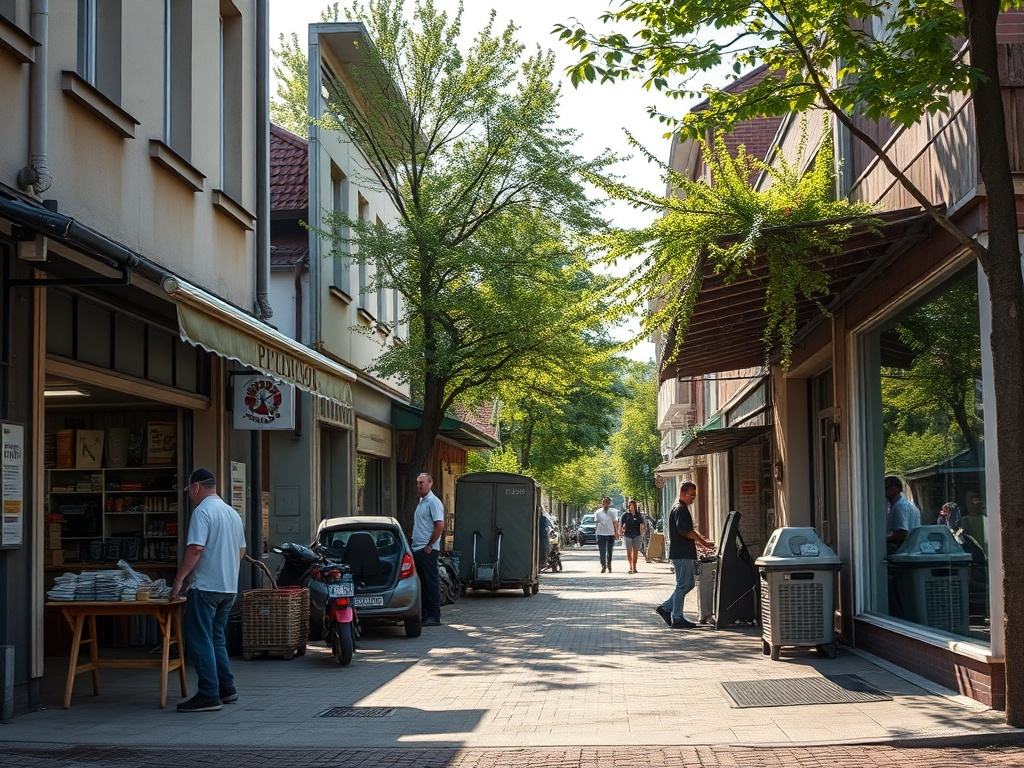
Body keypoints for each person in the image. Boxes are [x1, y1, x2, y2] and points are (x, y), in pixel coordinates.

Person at [170, 468, 246, 713]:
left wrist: (180, 580)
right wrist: (228, 569)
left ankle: (208, 693)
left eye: (189, 491)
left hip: (206, 587)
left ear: (196, 487)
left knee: (200, 639)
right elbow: (241, 550)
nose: (190, 495)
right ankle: (227, 688)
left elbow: (195, 549)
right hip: (228, 587)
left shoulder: (202, 512)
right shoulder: (231, 513)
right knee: (217, 639)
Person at [656, 482, 713, 629]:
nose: (693, 498)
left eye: (695, 495)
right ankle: (676, 616)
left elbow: (689, 529)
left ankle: (666, 608)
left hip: (682, 553)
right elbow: (683, 531)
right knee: (683, 584)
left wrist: (700, 540)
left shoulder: (681, 508)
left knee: (688, 584)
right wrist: (701, 541)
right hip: (682, 554)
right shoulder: (680, 509)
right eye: (691, 495)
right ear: (683, 493)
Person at [412, 472, 445, 626]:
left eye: (422, 483)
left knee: (430, 581)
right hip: (419, 548)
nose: (419, 486)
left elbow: (439, 525)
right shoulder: (422, 502)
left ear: (430, 484)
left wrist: (429, 545)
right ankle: (426, 613)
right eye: (418, 483)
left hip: (427, 550)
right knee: (423, 583)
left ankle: (434, 614)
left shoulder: (433, 502)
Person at [884, 476, 921, 549]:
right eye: (885, 488)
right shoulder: (911, 505)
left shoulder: (899, 506)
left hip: (901, 551)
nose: (887, 491)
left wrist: (881, 539)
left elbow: (902, 535)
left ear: (899, 489)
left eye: (890, 488)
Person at [619, 498, 647, 574]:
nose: (631, 506)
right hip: (628, 535)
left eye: (632, 505)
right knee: (629, 551)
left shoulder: (639, 515)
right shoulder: (625, 515)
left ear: (635, 506)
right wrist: (621, 530)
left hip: (637, 535)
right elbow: (621, 524)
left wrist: (643, 530)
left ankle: (634, 567)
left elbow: (643, 524)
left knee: (635, 551)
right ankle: (630, 566)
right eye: (629, 505)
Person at [594, 497, 618, 573]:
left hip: (610, 533)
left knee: (610, 550)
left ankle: (609, 564)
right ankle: (603, 565)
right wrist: (596, 533)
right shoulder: (598, 512)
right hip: (601, 533)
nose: (605, 504)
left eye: (607, 503)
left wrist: (616, 533)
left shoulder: (613, 512)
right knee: (602, 551)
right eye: (604, 503)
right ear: (602, 504)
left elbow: (615, 523)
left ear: (609, 504)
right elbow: (596, 523)